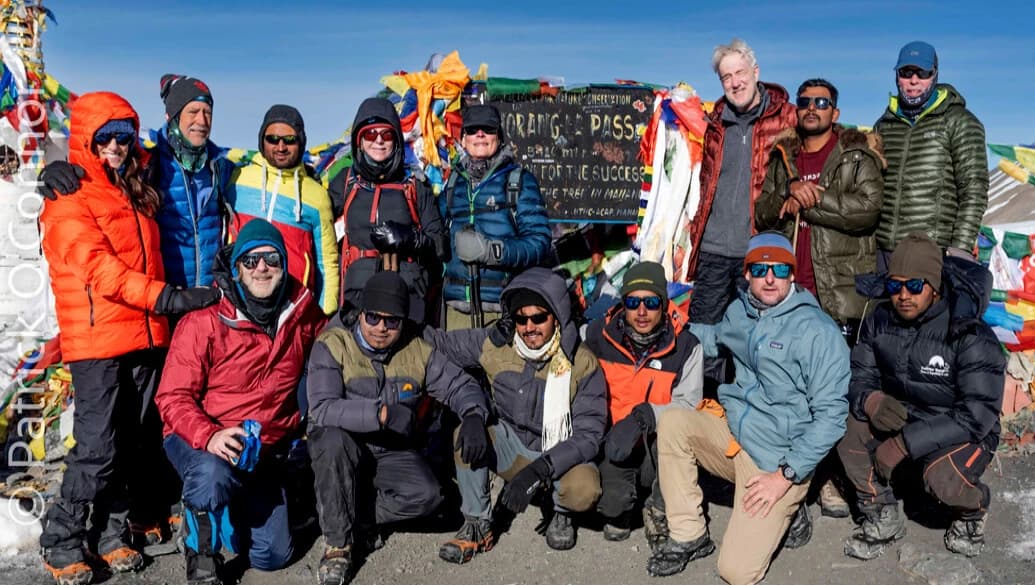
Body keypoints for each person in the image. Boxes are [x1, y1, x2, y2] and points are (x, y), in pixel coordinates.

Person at [37, 91, 221, 585]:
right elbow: (101, 271)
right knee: (97, 446)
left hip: (142, 334)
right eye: (105, 139)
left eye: (123, 138)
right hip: (97, 339)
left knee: (133, 440)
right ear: (86, 140)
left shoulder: (131, 187)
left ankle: (111, 532)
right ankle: (62, 537)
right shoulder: (69, 196)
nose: (116, 147)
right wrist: (169, 298)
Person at [649, 232, 849, 585]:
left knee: (736, 572)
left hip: (777, 460)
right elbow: (715, 339)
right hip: (735, 433)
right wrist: (671, 328)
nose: (769, 278)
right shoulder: (740, 312)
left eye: (780, 270)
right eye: (759, 269)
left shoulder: (817, 332)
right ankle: (689, 533)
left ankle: (791, 505)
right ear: (747, 274)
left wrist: (783, 478)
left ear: (792, 274)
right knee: (674, 422)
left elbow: (832, 418)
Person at [155, 218, 327, 584]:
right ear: (237, 268)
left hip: (263, 447)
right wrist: (210, 436)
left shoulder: (301, 313)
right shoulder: (205, 320)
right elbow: (172, 397)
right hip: (204, 436)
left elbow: (333, 342)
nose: (261, 268)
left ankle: (227, 514)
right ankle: (201, 552)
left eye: (271, 259)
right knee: (212, 474)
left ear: (284, 264)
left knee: (272, 556)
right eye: (251, 260)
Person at [305, 272, 490, 585]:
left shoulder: (416, 348)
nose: (381, 328)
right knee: (332, 440)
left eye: (392, 321)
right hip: (342, 445)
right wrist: (380, 414)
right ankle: (338, 546)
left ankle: (352, 515)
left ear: (403, 321)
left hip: (388, 448)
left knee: (429, 496)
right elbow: (323, 408)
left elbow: (459, 385)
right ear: (361, 313)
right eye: (373, 317)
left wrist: (473, 414)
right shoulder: (333, 343)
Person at [754, 78, 884, 518]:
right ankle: (796, 479)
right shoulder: (783, 157)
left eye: (822, 102)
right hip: (792, 294)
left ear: (835, 112)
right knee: (791, 391)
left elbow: (867, 210)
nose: (812, 108)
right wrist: (787, 193)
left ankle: (833, 479)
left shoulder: (856, 155)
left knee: (835, 395)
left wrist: (812, 199)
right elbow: (763, 213)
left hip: (838, 293)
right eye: (805, 102)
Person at [838, 232, 1005, 560]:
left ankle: (973, 511)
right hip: (905, 417)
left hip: (960, 431)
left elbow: (976, 415)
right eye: (894, 285)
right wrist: (871, 400)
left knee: (943, 478)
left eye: (915, 286)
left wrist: (904, 444)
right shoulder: (878, 321)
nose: (903, 295)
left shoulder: (968, 333)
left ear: (935, 286)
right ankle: (882, 513)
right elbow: (859, 377)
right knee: (846, 426)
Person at [432, 267, 605, 562]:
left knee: (584, 489)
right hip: (513, 445)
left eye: (539, 318)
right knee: (467, 434)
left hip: (557, 453)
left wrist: (541, 470)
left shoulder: (581, 362)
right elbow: (440, 343)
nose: (529, 327)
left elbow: (589, 435)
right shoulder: (498, 343)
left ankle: (561, 512)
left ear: (557, 317)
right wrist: (391, 322)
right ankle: (477, 523)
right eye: (521, 319)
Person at [38, 74, 234, 289]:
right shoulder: (147, 161)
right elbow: (100, 172)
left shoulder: (221, 166)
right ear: (173, 115)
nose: (202, 121)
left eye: (208, 112)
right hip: (163, 296)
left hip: (209, 296)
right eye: (193, 112)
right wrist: (53, 173)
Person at [583, 261, 703, 545]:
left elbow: (690, 405)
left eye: (651, 302)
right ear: (622, 304)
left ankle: (659, 506)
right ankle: (626, 500)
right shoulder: (597, 336)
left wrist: (646, 416)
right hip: (615, 443)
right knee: (613, 508)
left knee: (678, 436)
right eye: (632, 302)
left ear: (664, 304)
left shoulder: (686, 346)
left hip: (657, 444)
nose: (641, 311)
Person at [683, 39, 797, 332]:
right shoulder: (715, 125)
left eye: (740, 73)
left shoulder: (787, 118)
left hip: (759, 250)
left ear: (755, 72)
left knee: (757, 335)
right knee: (703, 334)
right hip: (713, 251)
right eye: (726, 77)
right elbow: (707, 184)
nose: (735, 83)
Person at [328, 97, 447, 324]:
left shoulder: (414, 185)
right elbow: (316, 223)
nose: (379, 140)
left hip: (406, 298)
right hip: (357, 297)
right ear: (359, 141)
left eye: (387, 134)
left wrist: (412, 239)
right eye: (370, 134)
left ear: (397, 139)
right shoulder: (346, 182)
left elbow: (440, 245)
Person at [873, 41, 989, 268]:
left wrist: (960, 249)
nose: (914, 80)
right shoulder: (884, 124)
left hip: (930, 251)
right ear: (897, 76)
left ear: (935, 74)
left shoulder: (959, 121)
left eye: (922, 73)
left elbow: (974, 189)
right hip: (881, 251)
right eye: (906, 72)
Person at [440, 104, 552, 329]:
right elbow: (434, 235)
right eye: (472, 130)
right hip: (455, 313)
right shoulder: (452, 184)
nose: (480, 134)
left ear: (499, 137)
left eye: (488, 129)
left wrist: (493, 252)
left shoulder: (519, 181)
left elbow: (540, 242)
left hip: (503, 311)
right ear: (463, 139)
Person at [228, 104, 340, 314]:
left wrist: (324, 316)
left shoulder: (317, 196)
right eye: (272, 139)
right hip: (238, 301)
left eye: (289, 140)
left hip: (293, 308)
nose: (281, 147)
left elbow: (327, 263)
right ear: (262, 141)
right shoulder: (237, 179)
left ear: (301, 142)